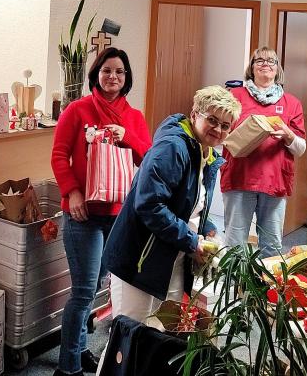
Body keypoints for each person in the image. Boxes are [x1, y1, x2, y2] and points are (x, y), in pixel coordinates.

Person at [51, 47, 151, 376]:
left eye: (119, 72)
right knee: (82, 292)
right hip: (83, 215)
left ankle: (80, 350)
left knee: (94, 290)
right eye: (107, 70)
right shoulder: (77, 110)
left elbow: (147, 158)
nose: (113, 77)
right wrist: (72, 192)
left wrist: (128, 137)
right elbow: (59, 155)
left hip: (117, 216)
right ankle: (67, 367)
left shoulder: (134, 117)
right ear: (96, 74)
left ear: (126, 78)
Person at [102, 85, 241, 322]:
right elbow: (150, 205)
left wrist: (207, 228)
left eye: (225, 125)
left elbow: (191, 204)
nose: (218, 129)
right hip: (139, 257)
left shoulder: (205, 154)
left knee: (160, 331)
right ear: (194, 115)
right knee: (130, 334)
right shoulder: (172, 148)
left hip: (171, 256)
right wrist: (191, 240)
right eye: (212, 120)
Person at [220, 46, 306, 259]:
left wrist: (288, 134)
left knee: (272, 246)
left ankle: (266, 282)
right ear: (251, 68)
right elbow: (218, 133)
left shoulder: (291, 103)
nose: (265, 64)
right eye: (259, 60)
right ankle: (234, 281)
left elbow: (300, 148)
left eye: (271, 61)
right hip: (239, 178)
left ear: (278, 69)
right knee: (235, 246)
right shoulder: (234, 96)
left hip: (274, 182)